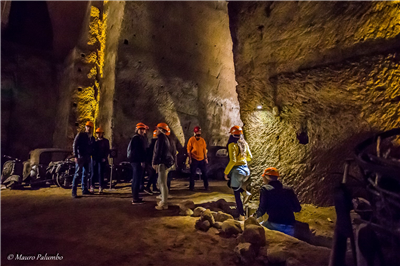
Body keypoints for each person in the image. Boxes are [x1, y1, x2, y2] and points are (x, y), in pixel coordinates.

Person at [252, 167, 301, 236]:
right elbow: (297, 208)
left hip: (274, 224)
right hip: (290, 226)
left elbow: (262, 209)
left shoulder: (265, 189)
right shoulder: (288, 189)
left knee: (259, 230)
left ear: (267, 177)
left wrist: (253, 217)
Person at [224, 125, 252, 221]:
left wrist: (226, 172)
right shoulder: (244, 143)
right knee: (231, 184)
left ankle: (241, 215)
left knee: (236, 195)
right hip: (246, 171)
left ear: (232, 135)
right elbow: (250, 157)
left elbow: (232, 161)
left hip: (237, 172)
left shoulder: (232, 145)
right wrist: (242, 159)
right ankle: (244, 193)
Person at [152, 123, 176, 210]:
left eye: (158, 129)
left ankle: (164, 203)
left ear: (161, 130)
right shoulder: (166, 139)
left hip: (163, 162)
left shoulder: (161, 138)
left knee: (162, 183)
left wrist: (155, 162)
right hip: (166, 162)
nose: (156, 131)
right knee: (161, 182)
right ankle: (163, 199)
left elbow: (158, 151)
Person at [71, 121, 95, 198]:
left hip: (87, 157)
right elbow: (75, 144)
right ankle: (74, 192)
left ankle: (84, 189)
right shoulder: (81, 135)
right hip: (80, 157)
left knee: (85, 174)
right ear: (85, 127)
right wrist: (76, 156)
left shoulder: (91, 137)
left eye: (90, 127)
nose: (89, 128)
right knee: (78, 174)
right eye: (88, 127)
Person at [127, 122, 149, 204]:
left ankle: (136, 197)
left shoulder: (140, 138)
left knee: (136, 179)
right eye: (140, 129)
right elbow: (138, 152)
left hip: (135, 161)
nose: (142, 130)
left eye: (143, 129)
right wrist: (142, 161)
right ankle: (135, 199)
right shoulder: (137, 139)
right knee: (136, 179)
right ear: (137, 130)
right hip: (137, 161)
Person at [187, 126, 208, 191]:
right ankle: (191, 187)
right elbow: (188, 149)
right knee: (192, 174)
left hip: (201, 159)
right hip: (194, 159)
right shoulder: (191, 140)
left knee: (204, 173)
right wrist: (190, 158)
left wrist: (206, 158)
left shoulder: (202, 140)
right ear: (195, 132)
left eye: (200, 131)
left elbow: (204, 150)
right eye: (198, 131)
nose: (199, 132)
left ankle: (206, 186)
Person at [91, 127, 110, 193]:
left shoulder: (105, 141)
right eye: (97, 133)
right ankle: (92, 186)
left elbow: (107, 150)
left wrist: (105, 157)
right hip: (95, 159)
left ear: (102, 133)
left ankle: (100, 187)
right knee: (93, 173)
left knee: (101, 173)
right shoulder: (95, 142)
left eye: (100, 133)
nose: (98, 134)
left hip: (101, 159)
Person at [143, 130, 159, 195]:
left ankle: (154, 187)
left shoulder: (152, 143)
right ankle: (148, 187)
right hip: (152, 162)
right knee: (153, 175)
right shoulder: (156, 143)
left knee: (154, 175)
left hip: (150, 162)